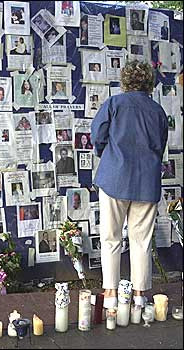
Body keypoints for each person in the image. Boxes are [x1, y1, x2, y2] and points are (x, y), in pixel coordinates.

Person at [91, 60, 168, 309]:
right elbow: (159, 146)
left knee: (111, 238)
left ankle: (111, 295)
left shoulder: (113, 104)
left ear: (124, 80)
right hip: (146, 181)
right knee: (141, 240)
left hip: (114, 178)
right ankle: (139, 296)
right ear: (149, 82)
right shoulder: (157, 111)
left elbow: (97, 136)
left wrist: (112, 156)